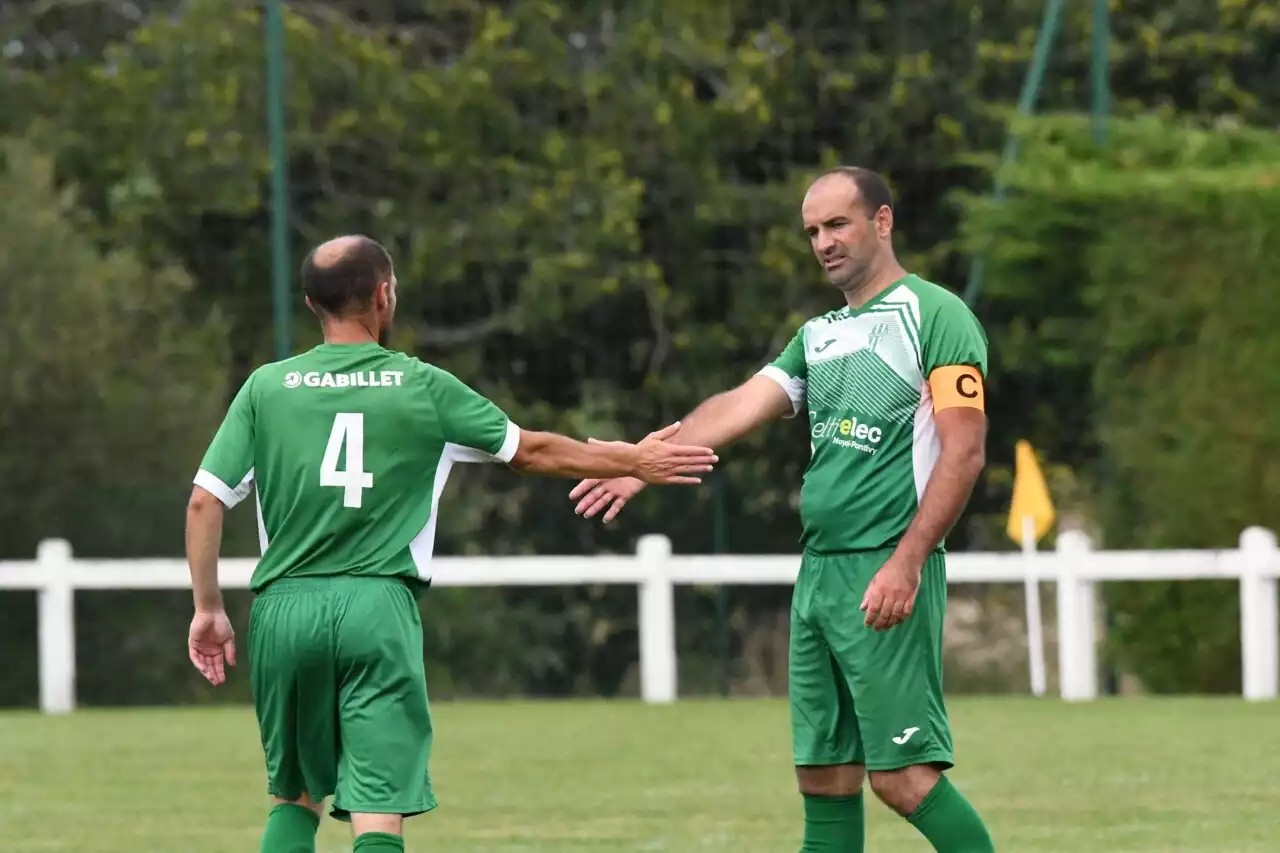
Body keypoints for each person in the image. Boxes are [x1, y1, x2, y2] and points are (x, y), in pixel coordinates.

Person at [183, 235, 718, 853]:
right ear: (384, 294)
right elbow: (533, 450)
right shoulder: (423, 386)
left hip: (285, 609)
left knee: (295, 796)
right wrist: (633, 458)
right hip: (376, 607)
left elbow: (204, 500)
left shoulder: (265, 389)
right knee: (378, 805)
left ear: (311, 303)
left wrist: (208, 607)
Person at [569, 167, 995, 852]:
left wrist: (908, 560)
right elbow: (737, 405)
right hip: (820, 576)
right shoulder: (819, 333)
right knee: (823, 776)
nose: (824, 242)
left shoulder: (935, 315)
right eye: (812, 231)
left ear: (882, 222)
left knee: (904, 777)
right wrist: (639, 463)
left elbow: (964, 452)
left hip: (883, 567)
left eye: (837, 224)